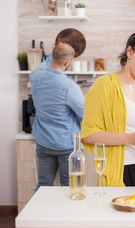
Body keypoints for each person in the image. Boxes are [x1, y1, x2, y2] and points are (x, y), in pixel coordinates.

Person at [81, 30, 135, 187]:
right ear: (130, 52)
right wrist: (130, 139)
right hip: (118, 172)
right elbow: (88, 134)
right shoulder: (104, 85)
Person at [30, 42, 85, 189]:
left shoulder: (35, 77)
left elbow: (46, 64)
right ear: (68, 62)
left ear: (52, 56)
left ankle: (41, 213)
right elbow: (84, 115)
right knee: (70, 187)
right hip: (66, 146)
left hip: (43, 142)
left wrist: (55, 51)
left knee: (43, 186)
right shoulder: (70, 86)